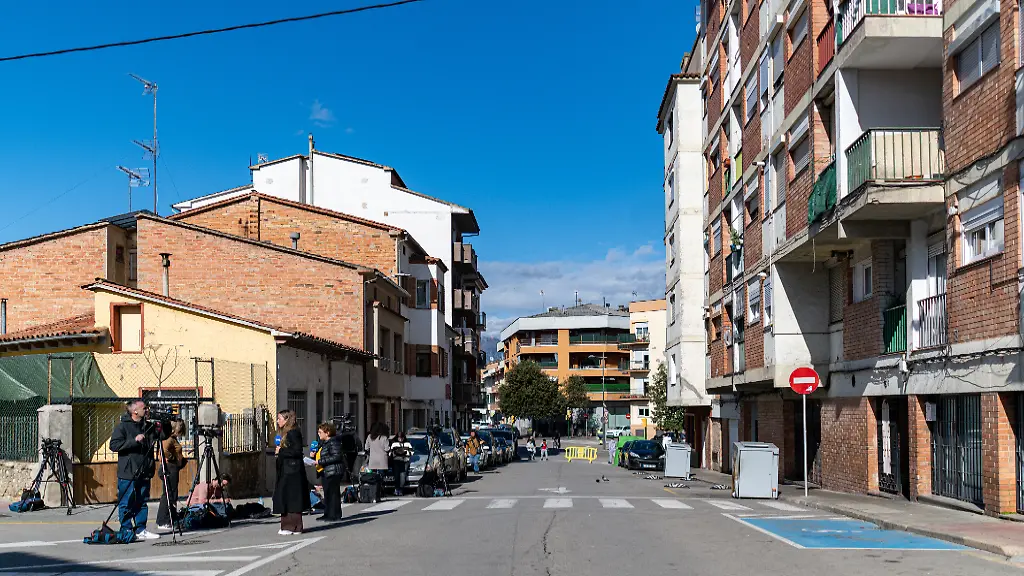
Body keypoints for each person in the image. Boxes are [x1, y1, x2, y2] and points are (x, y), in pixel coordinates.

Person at [109, 399, 163, 541]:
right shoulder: (123, 427)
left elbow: (162, 437)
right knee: (126, 502)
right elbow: (114, 445)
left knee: (142, 501)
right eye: (144, 408)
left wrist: (164, 425)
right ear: (135, 411)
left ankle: (141, 529)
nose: (147, 410)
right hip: (128, 472)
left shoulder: (148, 426)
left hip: (144, 470)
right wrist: (134, 441)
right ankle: (126, 529)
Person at [273, 409, 310, 535]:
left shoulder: (293, 433)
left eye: (280, 419)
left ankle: (292, 526)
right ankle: (288, 526)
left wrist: (281, 452)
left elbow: (297, 452)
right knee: (286, 498)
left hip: (292, 471)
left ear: (287, 419)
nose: (278, 421)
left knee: (292, 499)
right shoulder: (285, 433)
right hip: (287, 470)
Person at [156, 420, 187, 531]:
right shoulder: (169, 438)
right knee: (168, 494)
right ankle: (163, 520)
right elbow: (164, 451)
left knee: (171, 494)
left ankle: (170, 518)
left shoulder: (172, 439)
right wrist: (173, 458)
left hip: (172, 468)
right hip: (169, 468)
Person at [315, 422, 344, 522]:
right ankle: (327, 513)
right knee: (327, 493)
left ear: (327, 433)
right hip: (326, 471)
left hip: (333, 471)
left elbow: (337, 456)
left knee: (333, 494)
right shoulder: (324, 443)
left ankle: (335, 514)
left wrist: (320, 461)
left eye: (320, 432)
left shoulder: (333, 442)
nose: (318, 434)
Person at [389, 432, 413, 496]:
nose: (400, 439)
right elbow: (390, 453)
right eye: (399, 437)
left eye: (401, 437)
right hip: (396, 461)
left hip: (405, 461)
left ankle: (401, 489)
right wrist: (396, 453)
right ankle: (397, 489)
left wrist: (406, 453)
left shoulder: (407, 444)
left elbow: (412, 452)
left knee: (403, 475)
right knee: (396, 475)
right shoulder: (394, 444)